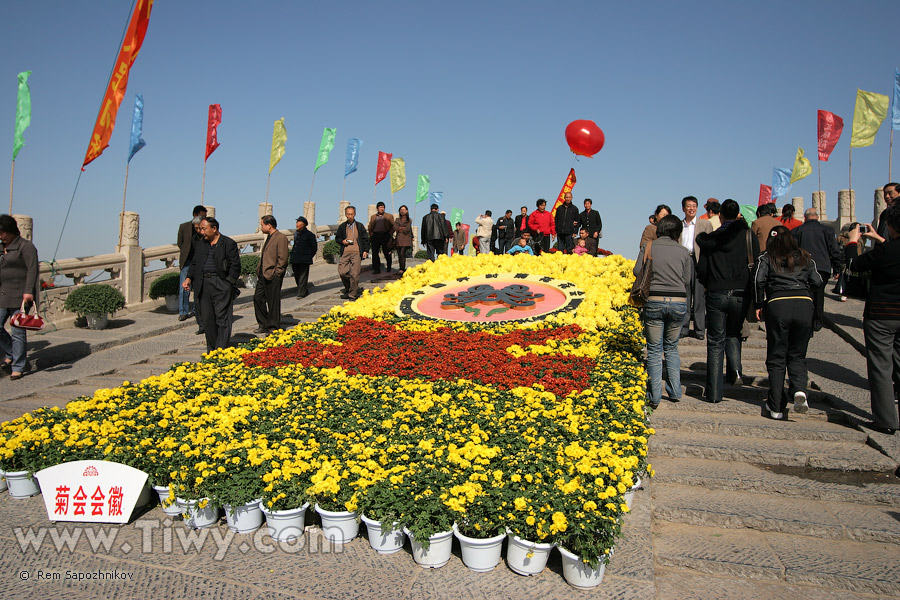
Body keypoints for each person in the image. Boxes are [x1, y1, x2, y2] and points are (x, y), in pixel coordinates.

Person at [754, 226, 823, 420]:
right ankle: (799, 389)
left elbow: (758, 280)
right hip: (803, 305)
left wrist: (759, 303)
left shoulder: (766, 257)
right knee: (797, 354)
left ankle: (776, 406)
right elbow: (817, 281)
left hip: (778, 304)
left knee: (777, 356)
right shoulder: (805, 257)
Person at [697, 199, 760, 403]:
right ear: (738, 215)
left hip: (716, 292)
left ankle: (714, 393)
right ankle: (736, 371)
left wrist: (709, 283)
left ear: (720, 216)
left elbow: (702, 270)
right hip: (741, 293)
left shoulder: (710, 239)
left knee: (715, 341)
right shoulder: (748, 236)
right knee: (734, 334)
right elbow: (756, 264)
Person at [845, 209, 900, 435]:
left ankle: (886, 420)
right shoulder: (887, 247)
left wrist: (852, 242)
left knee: (880, 368)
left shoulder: (885, 251)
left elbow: (854, 265)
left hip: (881, 315)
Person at [635, 215, 691, 408]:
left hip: (654, 300)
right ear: (677, 232)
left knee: (654, 349)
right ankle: (675, 392)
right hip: (678, 302)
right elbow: (687, 278)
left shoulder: (649, 247)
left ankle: (654, 396)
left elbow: (636, 271)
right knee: (672, 347)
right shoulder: (684, 251)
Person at [183, 217, 241, 353]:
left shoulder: (228, 243)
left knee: (222, 318)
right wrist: (188, 278)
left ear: (214, 229)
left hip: (221, 284)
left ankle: (221, 349)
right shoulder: (201, 244)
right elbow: (195, 264)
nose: (201, 232)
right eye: (200, 229)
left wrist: (228, 284)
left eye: (204, 229)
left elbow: (235, 266)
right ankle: (212, 349)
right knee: (208, 319)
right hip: (203, 284)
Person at [0, 215, 39, 380]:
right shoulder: (2, 247)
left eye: (2, 233)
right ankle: (10, 352)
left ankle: (18, 366)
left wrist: (28, 290)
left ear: (10, 231)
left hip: (20, 295)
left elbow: (32, 269)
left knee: (17, 331)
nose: (1, 236)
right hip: (2, 293)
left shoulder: (26, 246)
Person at [792, 208, 840, 331]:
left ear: (804, 218)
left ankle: (805, 319)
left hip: (803, 266)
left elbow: (793, 251)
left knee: (806, 294)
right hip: (822, 267)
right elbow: (834, 250)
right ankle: (817, 321)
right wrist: (837, 267)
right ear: (817, 217)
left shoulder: (797, 231)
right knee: (819, 295)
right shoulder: (827, 231)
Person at [680, 196, 713, 340]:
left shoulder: (705, 224)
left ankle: (700, 329)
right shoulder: (679, 225)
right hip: (684, 260)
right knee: (685, 294)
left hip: (699, 260)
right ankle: (684, 327)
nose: (691, 208)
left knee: (699, 295)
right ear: (683, 208)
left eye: (694, 206)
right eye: (689, 206)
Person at [253, 215, 289, 334]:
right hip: (263, 274)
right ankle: (263, 323)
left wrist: (277, 273)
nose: (261, 227)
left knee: (273, 301)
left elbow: (283, 258)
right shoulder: (268, 237)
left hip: (273, 274)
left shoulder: (280, 237)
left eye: (262, 225)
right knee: (258, 298)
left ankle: (273, 325)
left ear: (269, 225)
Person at [176, 205, 207, 321]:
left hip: (200, 262)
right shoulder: (184, 227)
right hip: (187, 261)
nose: (204, 218)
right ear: (195, 215)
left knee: (198, 287)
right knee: (184, 287)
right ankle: (183, 311)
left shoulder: (205, 228)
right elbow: (180, 243)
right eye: (202, 216)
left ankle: (195, 309)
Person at [336, 205, 370, 299]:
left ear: (354, 214)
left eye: (351, 214)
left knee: (354, 274)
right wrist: (342, 241)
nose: (350, 216)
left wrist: (365, 250)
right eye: (348, 214)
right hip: (345, 252)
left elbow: (365, 239)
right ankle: (349, 289)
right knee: (342, 272)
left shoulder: (359, 226)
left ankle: (352, 294)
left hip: (356, 252)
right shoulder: (342, 226)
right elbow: (337, 238)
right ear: (345, 215)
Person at [290, 216, 317, 298]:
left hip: (304, 259)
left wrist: (308, 256)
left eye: (298, 222)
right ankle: (304, 290)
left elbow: (314, 248)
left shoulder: (310, 235)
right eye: (296, 222)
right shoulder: (296, 234)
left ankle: (301, 293)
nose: (296, 224)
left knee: (303, 276)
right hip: (295, 258)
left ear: (303, 224)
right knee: (297, 276)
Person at [367, 201, 394, 274]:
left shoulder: (389, 216)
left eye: (383, 207)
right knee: (375, 253)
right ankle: (376, 269)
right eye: (380, 207)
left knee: (386, 252)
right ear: (377, 208)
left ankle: (389, 266)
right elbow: (370, 226)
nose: (382, 209)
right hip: (376, 235)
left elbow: (393, 226)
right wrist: (371, 234)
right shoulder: (373, 217)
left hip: (385, 235)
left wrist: (390, 233)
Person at [393, 205, 413, 272]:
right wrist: (401, 228)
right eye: (401, 209)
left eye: (404, 209)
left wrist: (400, 228)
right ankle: (401, 267)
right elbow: (395, 228)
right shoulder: (397, 220)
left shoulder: (409, 220)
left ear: (407, 211)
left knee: (402, 253)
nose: (402, 211)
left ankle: (402, 268)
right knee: (399, 254)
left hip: (406, 239)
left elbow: (407, 229)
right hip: (399, 239)